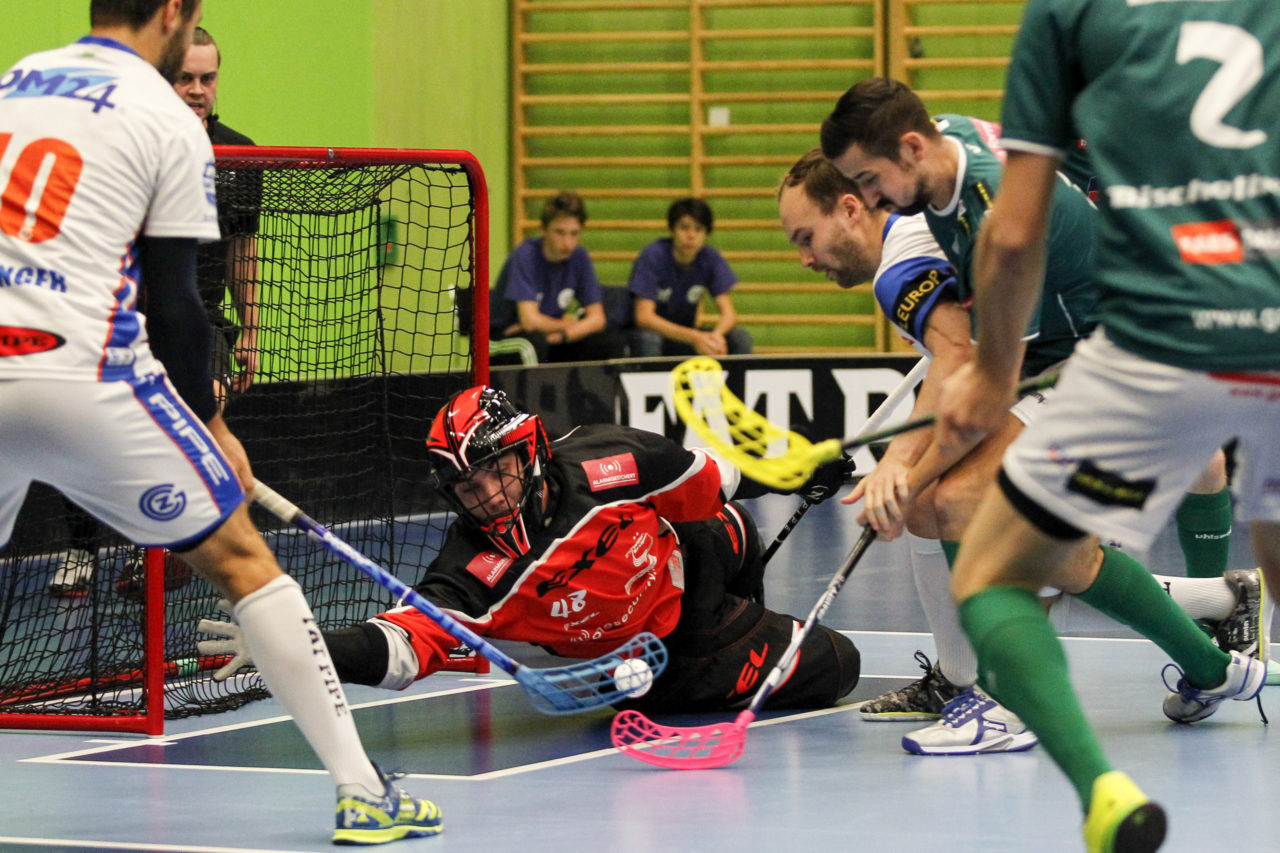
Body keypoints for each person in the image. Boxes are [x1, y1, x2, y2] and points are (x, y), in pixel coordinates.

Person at [0, 1, 439, 844]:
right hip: (85, 372)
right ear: (174, 13)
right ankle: (361, 791)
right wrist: (212, 425)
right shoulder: (166, 117)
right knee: (244, 561)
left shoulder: (16, 83)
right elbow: (177, 306)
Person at [865, 1, 1280, 841]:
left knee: (997, 548)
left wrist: (983, 385)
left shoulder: (1063, 29)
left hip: (1148, 328)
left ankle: (1088, 749)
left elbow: (1015, 238)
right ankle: (1214, 649)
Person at [777, 148, 1262, 752]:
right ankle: (1214, 655)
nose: (805, 258)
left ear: (851, 208)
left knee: (959, 501)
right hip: (1070, 362)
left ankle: (1006, 699)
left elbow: (963, 371)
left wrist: (901, 469)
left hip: (1112, 363)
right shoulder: (925, 233)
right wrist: (904, 474)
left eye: (806, 237)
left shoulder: (905, 263)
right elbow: (957, 369)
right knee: (984, 525)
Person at [198, 385, 862, 714]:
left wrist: (805, 473)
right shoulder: (471, 572)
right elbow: (400, 647)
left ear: (531, 451)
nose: (485, 493)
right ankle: (726, 645)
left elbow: (716, 480)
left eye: (496, 469)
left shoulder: (615, 458)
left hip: (684, 563)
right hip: (655, 653)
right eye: (466, 484)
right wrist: (297, 641)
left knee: (731, 524)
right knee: (840, 662)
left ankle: (739, 621)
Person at [49, 25, 261, 598]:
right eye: (184, 78)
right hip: (117, 319)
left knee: (197, 407)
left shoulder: (241, 154)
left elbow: (243, 249)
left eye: (207, 78)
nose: (197, 90)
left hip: (200, 323)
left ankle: (163, 549)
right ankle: (81, 550)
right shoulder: (123, 145)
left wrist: (250, 330)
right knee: (87, 431)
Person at [490, 191, 627, 363]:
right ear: (543, 230)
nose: (567, 243)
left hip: (550, 336)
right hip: (503, 339)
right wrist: (568, 324)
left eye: (574, 234)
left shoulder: (580, 258)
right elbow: (530, 322)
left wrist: (564, 334)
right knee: (533, 344)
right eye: (560, 233)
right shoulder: (525, 255)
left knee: (610, 342)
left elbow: (597, 319)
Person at [628, 198, 753, 358]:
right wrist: (694, 337)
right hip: (652, 336)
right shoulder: (653, 256)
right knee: (649, 339)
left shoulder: (710, 258)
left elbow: (729, 314)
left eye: (698, 229)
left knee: (740, 337)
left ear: (706, 234)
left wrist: (714, 338)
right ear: (672, 230)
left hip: (686, 336)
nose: (691, 235)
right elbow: (644, 317)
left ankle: (732, 376)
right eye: (684, 228)